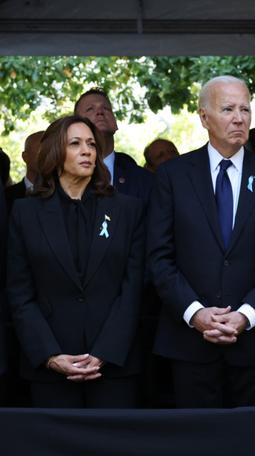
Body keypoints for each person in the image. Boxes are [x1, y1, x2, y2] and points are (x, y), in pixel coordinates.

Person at [148, 76, 255, 408]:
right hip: (189, 345)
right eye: (228, 109)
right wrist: (195, 313)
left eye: (245, 109)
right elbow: (159, 258)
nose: (239, 118)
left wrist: (245, 315)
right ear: (204, 117)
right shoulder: (173, 177)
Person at [6, 115, 144, 407]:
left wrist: (105, 352)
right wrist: (50, 355)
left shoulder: (126, 210)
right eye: (75, 143)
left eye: (92, 144)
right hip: (50, 368)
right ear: (56, 152)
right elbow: (20, 293)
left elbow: (132, 289)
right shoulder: (24, 213)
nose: (87, 151)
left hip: (114, 365)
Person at [74, 89, 153, 201]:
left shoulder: (144, 180)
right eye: (90, 109)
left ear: (115, 124)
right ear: (74, 127)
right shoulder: (60, 178)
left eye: (106, 108)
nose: (100, 112)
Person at [5, 131, 44, 212]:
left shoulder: (63, 193)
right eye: (40, 152)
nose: (45, 158)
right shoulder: (6, 196)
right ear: (25, 157)